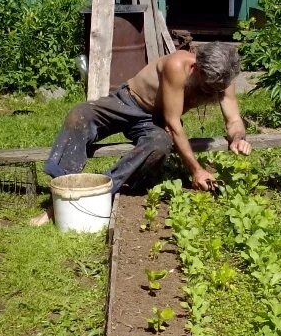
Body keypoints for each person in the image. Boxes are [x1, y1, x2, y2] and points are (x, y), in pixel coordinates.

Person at [32, 42, 251, 224]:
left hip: (154, 120)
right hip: (128, 102)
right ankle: (62, 192)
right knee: (79, 115)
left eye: (217, 88)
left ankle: (97, 191)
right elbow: (174, 124)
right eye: (207, 86)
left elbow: (233, 121)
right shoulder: (178, 65)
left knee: (159, 144)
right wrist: (197, 170)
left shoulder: (222, 81)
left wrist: (238, 138)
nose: (212, 92)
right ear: (197, 67)